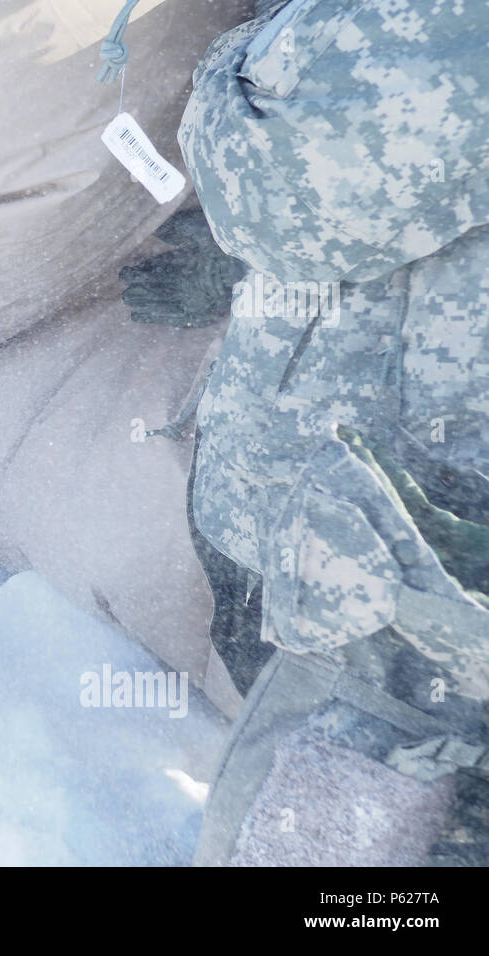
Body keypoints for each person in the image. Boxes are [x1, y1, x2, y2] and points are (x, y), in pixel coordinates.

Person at [177, 0, 489, 864]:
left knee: (356, 834)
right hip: (383, 540)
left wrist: (229, 58)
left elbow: (278, 191)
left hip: (398, 566)